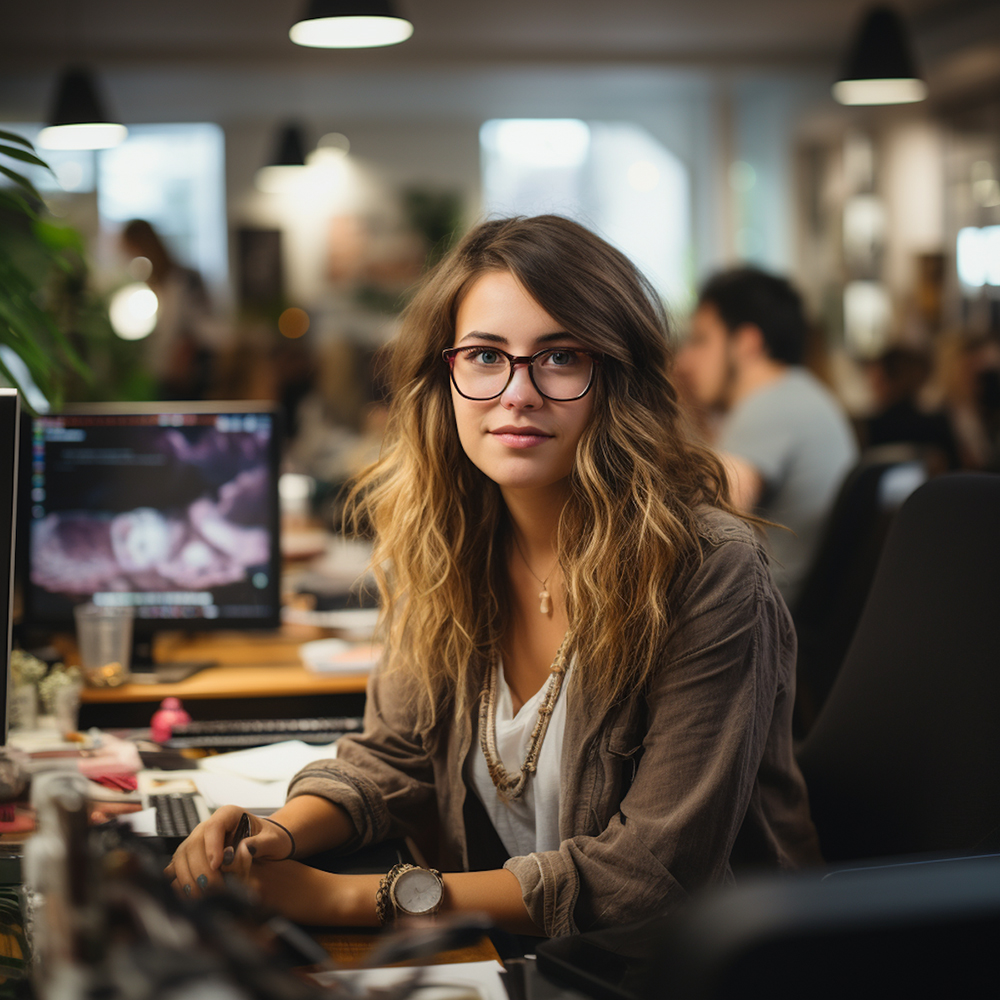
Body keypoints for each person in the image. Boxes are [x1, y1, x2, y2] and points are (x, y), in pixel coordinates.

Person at [168, 217, 821, 938]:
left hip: (693, 971)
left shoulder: (707, 569)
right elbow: (398, 755)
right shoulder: (446, 541)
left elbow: (652, 876)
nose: (518, 392)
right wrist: (274, 835)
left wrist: (351, 899)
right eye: (484, 355)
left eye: (561, 356)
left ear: (618, 379)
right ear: (443, 376)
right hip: (529, 953)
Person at [674, 267, 857, 608]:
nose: (684, 360)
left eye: (700, 340)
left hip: (762, 624)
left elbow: (702, 525)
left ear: (747, 343)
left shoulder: (772, 406)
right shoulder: (799, 393)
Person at [120, 219, 215, 399]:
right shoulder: (139, 287)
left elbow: (204, 326)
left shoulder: (184, 281)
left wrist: (185, 351)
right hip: (158, 375)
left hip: (185, 375)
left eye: (129, 250)